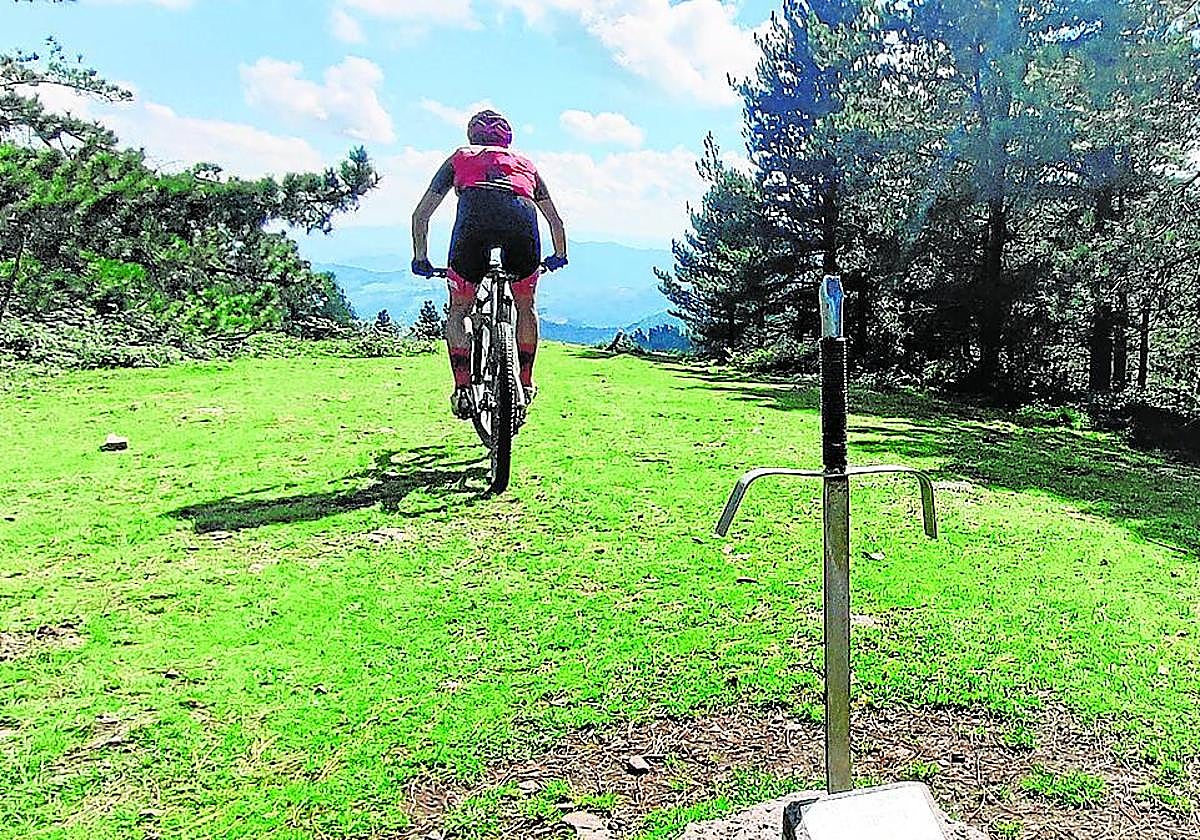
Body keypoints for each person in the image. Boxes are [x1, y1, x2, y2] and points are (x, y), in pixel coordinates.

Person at [411, 110, 568, 419]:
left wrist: (421, 259)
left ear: (472, 136)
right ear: (507, 139)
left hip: (472, 229)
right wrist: (558, 255)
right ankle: (525, 381)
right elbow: (556, 221)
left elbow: (421, 216)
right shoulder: (526, 165)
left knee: (460, 309)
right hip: (522, 227)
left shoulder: (461, 157)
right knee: (525, 305)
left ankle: (463, 389)